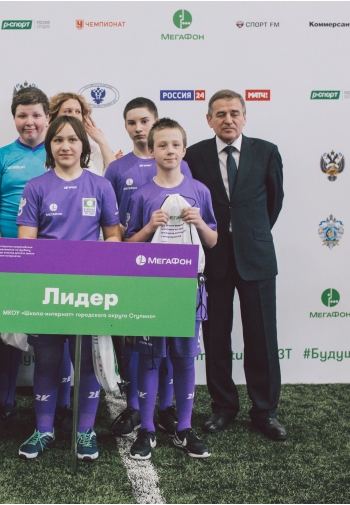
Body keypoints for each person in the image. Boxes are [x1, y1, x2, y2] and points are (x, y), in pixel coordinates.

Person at [16, 115, 121, 461]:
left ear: (83, 146)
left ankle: (85, 430)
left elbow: (113, 237)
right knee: (47, 361)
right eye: (58, 140)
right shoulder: (36, 187)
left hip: (89, 291)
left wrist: (93, 260)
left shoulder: (101, 186)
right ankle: (43, 429)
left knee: (87, 362)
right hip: (47, 290)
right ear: (50, 146)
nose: (65, 146)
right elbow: (26, 243)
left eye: (72, 139)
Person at [183, 90, 285, 441]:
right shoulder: (194, 154)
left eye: (234, 113)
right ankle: (223, 407)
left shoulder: (266, 151)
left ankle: (265, 411)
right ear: (209, 119)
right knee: (216, 336)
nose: (228, 119)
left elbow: (274, 202)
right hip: (214, 257)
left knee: (262, 337)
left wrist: (250, 233)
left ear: (244, 116)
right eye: (221, 114)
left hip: (256, 256)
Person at [124, 118, 217, 460]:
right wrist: (149, 227)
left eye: (175, 144)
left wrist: (200, 223)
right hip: (152, 290)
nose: (169, 150)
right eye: (162, 145)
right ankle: (147, 429)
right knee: (150, 358)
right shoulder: (141, 195)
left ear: (184, 149)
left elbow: (213, 240)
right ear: (151, 151)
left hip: (188, 290)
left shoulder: (199, 191)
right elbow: (128, 246)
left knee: (184, 359)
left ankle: (184, 428)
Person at [106, 97, 192, 440]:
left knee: (168, 342)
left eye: (144, 121)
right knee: (137, 343)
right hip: (134, 265)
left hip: (172, 271)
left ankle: (167, 406)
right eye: (132, 122)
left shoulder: (180, 166)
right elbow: (113, 222)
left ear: (155, 123)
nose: (138, 128)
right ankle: (134, 406)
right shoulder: (117, 169)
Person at [0, 84, 53, 433]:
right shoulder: (1, 157)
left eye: (36, 115)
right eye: (22, 115)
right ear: (14, 118)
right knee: (8, 334)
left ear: (48, 117)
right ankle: (6, 404)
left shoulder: (60, 151)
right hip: (10, 256)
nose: (29, 122)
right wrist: (1, 252)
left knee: (54, 334)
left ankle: (58, 407)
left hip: (51, 257)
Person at [47, 92, 116, 175]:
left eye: (78, 112)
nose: (74, 116)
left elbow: (114, 175)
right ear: (54, 116)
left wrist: (102, 141)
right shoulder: (45, 147)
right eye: (68, 111)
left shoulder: (93, 151)